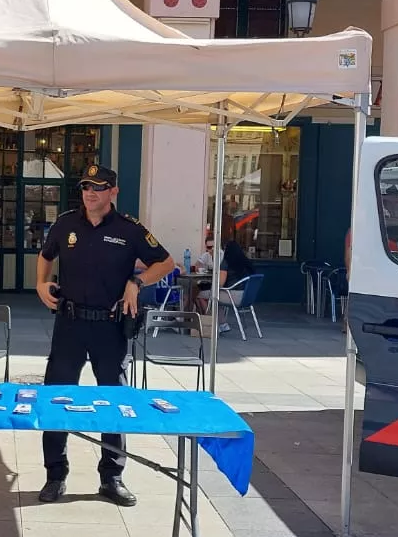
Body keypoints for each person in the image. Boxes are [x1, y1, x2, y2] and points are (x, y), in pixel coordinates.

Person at [37, 163, 174, 506]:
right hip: (69, 323)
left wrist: (136, 281)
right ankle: (55, 474)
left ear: (113, 191)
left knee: (114, 400)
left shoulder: (129, 229)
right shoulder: (66, 223)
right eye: (86, 186)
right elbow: (45, 255)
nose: (90, 193)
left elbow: (167, 263)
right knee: (57, 397)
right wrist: (41, 284)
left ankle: (111, 476)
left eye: (98, 187)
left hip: (109, 327)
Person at [196, 217, 256, 325]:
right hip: (246, 296)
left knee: (202, 295)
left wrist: (210, 285)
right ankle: (220, 322)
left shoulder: (226, 262)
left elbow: (220, 284)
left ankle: (212, 324)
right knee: (214, 295)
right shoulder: (244, 262)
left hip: (232, 294)